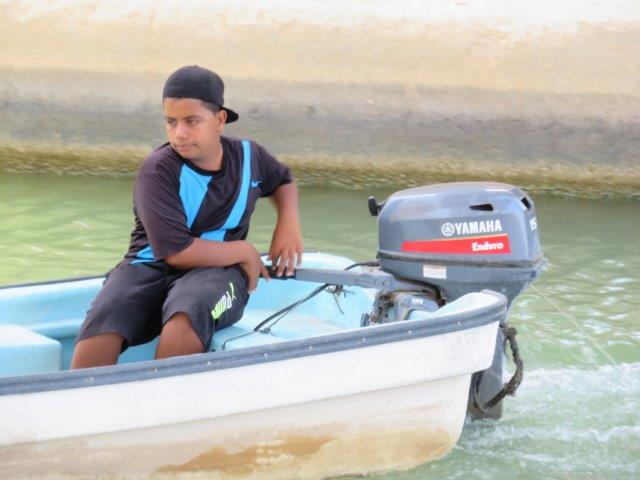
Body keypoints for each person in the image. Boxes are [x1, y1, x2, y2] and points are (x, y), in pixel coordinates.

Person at [71, 65, 303, 369]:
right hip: (149, 265)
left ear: (219, 120)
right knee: (109, 311)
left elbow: (283, 181)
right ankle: (82, 393)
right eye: (171, 122)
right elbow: (177, 252)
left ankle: (163, 394)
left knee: (187, 314)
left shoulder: (249, 157)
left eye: (192, 121)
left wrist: (288, 224)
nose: (179, 133)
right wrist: (244, 251)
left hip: (219, 271)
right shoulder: (158, 171)